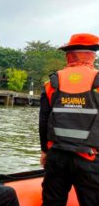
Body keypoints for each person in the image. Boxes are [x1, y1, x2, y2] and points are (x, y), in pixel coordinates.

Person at [39, 33, 99, 206]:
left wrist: (45, 151)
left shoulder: (52, 82)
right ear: (92, 54)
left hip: (56, 156)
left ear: (68, 55)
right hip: (90, 159)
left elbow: (44, 121)